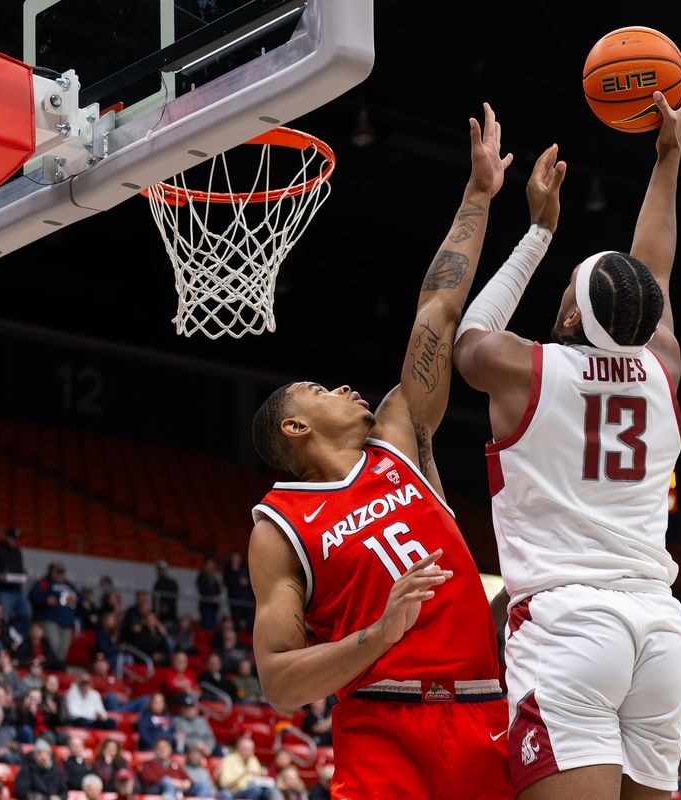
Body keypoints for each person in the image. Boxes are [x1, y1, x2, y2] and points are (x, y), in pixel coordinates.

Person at [455, 65, 681, 799]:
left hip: (568, 623)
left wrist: (536, 233)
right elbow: (655, 268)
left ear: (567, 319)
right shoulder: (663, 366)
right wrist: (668, 154)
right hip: (658, 629)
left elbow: (467, 335)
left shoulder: (525, 368)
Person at [248, 102, 514, 800]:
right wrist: (377, 635)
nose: (340, 385)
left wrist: (477, 196)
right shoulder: (278, 526)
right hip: (382, 727)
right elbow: (277, 682)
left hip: (486, 712)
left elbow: (438, 310)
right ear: (294, 430)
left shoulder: (401, 436)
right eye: (316, 388)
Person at [28, 563, 79, 661]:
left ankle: (57, 668)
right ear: (52, 572)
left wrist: (75, 599)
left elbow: (79, 598)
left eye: (62, 572)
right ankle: (51, 667)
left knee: (64, 648)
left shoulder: (69, 584)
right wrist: (45, 600)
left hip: (67, 621)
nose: (60, 575)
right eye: (57, 572)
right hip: (50, 619)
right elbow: (33, 596)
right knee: (53, 645)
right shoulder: (44, 582)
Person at [0, 527, 31, 635]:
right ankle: (3, 637)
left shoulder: (18, 552)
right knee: (3, 616)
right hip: (2, 590)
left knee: (26, 613)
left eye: (17, 539)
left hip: (17, 590)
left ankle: (19, 639)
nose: (15, 541)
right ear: (7, 538)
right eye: (13, 538)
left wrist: (23, 575)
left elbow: (19, 570)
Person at [224, 551, 255, 631]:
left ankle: (249, 641)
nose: (236, 560)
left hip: (247, 600)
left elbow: (253, 581)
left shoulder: (245, 568)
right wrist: (237, 580)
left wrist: (247, 582)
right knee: (236, 623)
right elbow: (226, 582)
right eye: (234, 558)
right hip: (234, 600)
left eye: (237, 558)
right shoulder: (228, 570)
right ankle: (237, 639)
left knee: (250, 622)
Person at [197, 559, 223, 631]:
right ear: (205, 567)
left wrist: (219, 585)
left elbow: (219, 591)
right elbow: (202, 590)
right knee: (207, 626)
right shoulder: (202, 576)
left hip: (214, 606)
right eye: (209, 566)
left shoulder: (215, 578)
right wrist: (211, 597)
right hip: (206, 605)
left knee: (213, 626)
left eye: (212, 567)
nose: (211, 568)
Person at [153, 561, 180, 625]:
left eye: (162, 569)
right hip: (159, 616)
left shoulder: (171, 583)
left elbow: (174, 597)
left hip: (170, 616)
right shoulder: (157, 584)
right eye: (159, 569)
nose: (160, 571)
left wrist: (166, 605)